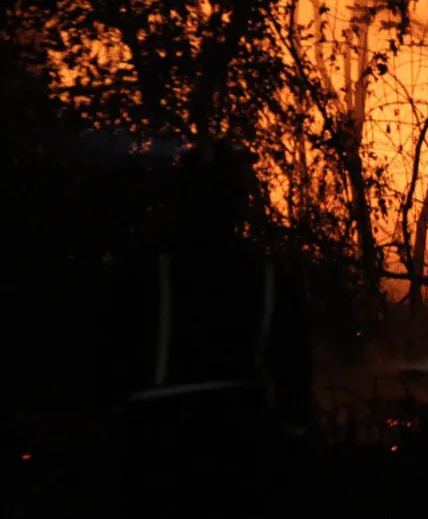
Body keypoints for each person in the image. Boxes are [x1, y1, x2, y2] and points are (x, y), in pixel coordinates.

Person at [101, 137, 312, 509]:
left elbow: (103, 364)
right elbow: (294, 379)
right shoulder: (267, 279)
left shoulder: (138, 271)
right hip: (235, 456)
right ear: (239, 205)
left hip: (153, 458)